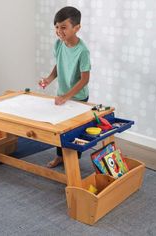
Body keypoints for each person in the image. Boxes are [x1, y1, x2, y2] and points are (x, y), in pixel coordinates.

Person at [39, 6, 91, 168]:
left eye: (63, 27)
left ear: (76, 28)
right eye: (56, 27)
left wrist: (67, 96)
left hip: (79, 97)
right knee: (60, 129)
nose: (59, 31)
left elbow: (84, 80)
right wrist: (49, 79)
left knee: (75, 131)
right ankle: (60, 157)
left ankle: (73, 160)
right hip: (62, 95)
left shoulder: (83, 51)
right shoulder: (59, 44)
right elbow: (59, 64)